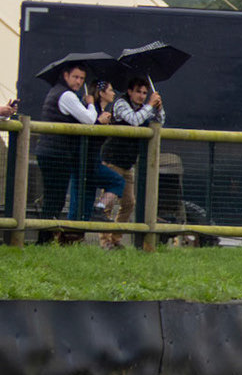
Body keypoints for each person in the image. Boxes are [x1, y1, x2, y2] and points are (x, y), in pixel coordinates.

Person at [99, 76, 164, 249]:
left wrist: (158, 108)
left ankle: (115, 239)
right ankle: (104, 241)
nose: (142, 96)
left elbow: (159, 122)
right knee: (108, 203)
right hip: (112, 160)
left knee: (128, 203)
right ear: (129, 91)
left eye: (145, 92)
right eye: (138, 92)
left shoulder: (144, 108)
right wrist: (150, 106)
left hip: (127, 164)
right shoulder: (121, 103)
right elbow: (134, 121)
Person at [35, 62, 98, 239]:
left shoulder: (55, 91)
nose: (78, 81)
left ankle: (45, 239)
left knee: (52, 198)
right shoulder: (67, 96)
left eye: (82, 78)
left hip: (48, 151)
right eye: (75, 77)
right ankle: (44, 241)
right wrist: (91, 104)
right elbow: (88, 120)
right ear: (65, 76)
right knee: (55, 200)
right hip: (57, 153)